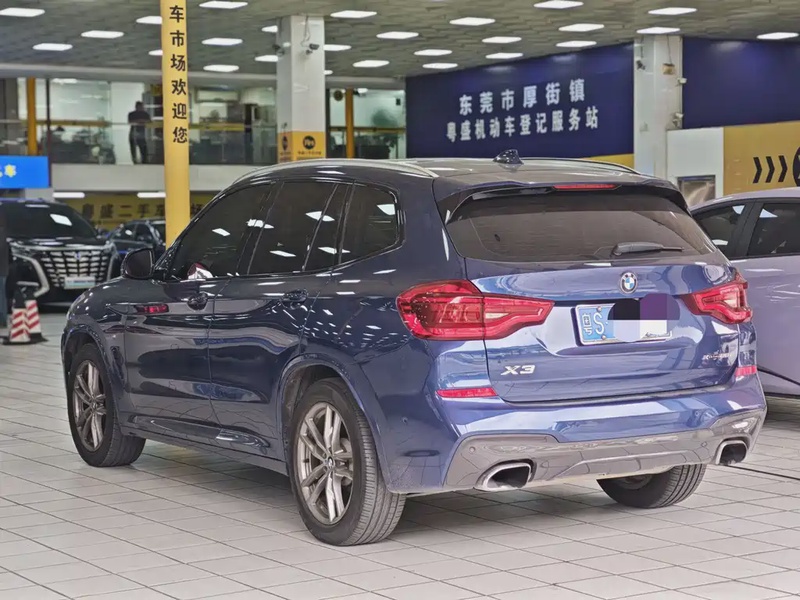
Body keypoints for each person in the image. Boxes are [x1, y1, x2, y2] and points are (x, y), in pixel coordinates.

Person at [0, 211, 8, 329]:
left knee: (1, 296)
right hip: (2, 269)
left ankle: (2, 319)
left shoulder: (1, 233)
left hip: (1, 270)